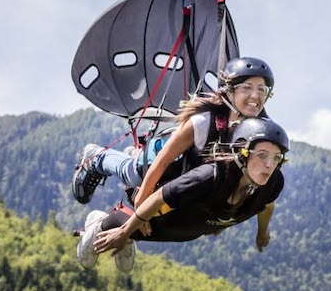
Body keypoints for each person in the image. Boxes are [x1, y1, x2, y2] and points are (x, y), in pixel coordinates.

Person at [76, 116, 289, 273]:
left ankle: (127, 234)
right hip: (160, 222)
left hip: (191, 229)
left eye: (277, 157)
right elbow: (159, 197)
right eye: (262, 155)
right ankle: (100, 223)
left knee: (177, 230)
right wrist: (123, 233)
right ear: (241, 153)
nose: (270, 165)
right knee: (111, 242)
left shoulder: (272, 183)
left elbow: (266, 205)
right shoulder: (209, 178)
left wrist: (262, 233)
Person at [72, 56, 275, 208]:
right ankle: (98, 157)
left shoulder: (257, 130)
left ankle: (131, 156)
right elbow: (164, 159)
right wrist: (140, 208)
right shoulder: (203, 122)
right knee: (134, 175)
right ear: (229, 91)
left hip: (185, 171)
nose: (255, 96)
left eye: (262, 90)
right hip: (162, 160)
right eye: (247, 88)